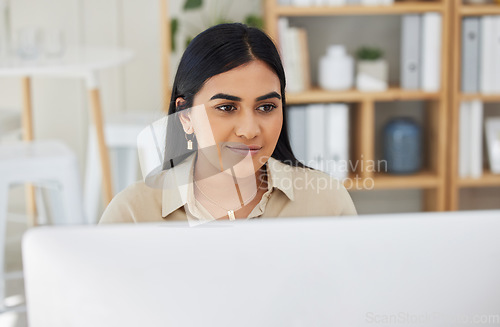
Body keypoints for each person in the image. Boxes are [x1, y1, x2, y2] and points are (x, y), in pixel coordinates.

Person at [99, 23, 356, 224]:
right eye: (226, 108)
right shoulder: (133, 214)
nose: (249, 130)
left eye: (266, 107)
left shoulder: (327, 204)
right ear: (185, 116)